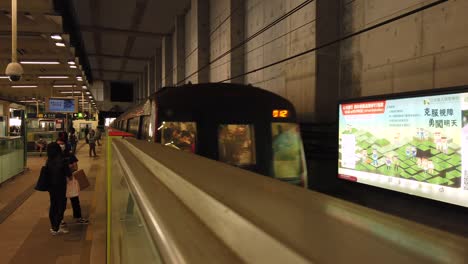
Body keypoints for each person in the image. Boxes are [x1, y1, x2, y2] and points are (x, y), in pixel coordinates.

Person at [56, 136, 89, 225]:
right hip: (60, 182)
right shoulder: (55, 156)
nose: (61, 146)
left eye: (62, 144)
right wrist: (69, 167)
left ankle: (78, 217)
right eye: (58, 144)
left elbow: (76, 167)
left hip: (70, 181)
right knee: (61, 202)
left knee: (75, 200)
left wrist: (68, 168)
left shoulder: (70, 154)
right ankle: (60, 219)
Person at [46, 142, 71, 235]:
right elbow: (69, 174)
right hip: (60, 186)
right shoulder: (62, 160)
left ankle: (53, 226)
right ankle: (56, 227)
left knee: (53, 205)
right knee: (61, 205)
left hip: (51, 186)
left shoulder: (49, 160)